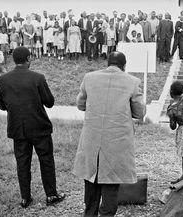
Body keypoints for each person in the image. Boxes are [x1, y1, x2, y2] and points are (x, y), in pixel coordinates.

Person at [73, 51, 146, 217]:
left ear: (108, 64)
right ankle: (107, 213)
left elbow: (80, 104)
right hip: (117, 140)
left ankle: (89, 213)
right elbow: (139, 112)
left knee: (92, 178)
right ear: (124, 66)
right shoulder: (132, 82)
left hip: (92, 138)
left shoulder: (89, 78)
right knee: (111, 181)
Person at [0, 46, 66, 209]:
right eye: (30, 57)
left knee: (22, 163)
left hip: (17, 128)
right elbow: (49, 102)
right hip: (39, 127)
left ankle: (25, 198)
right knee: (46, 160)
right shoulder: (38, 78)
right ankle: (51, 195)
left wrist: (13, 108)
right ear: (27, 59)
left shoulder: (4, 79)